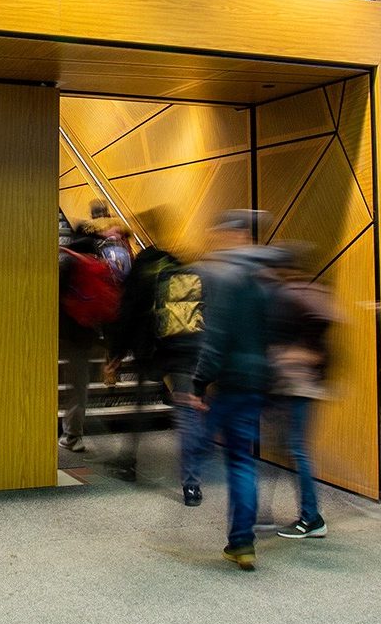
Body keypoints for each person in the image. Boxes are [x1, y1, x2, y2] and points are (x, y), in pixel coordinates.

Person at [192, 210, 278, 571]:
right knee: (243, 461)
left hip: (228, 380)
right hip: (257, 379)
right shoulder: (262, 279)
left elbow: (216, 334)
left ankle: (191, 479)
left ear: (231, 234)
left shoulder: (223, 277)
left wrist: (198, 382)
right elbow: (271, 331)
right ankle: (243, 542)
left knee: (203, 442)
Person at [110, 229, 206, 498]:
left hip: (148, 348)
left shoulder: (141, 269)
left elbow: (126, 313)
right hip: (181, 346)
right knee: (186, 414)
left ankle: (129, 462)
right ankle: (191, 485)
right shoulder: (177, 267)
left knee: (140, 405)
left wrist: (115, 354)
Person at [268, 247, 338, 540]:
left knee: (296, 448)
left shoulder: (290, 296)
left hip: (296, 383)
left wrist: (288, 357)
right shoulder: (314, 292)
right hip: (310, 382)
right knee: (294, 448)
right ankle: (307, 514)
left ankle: (311, 517)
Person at [57, 224, 116, 453]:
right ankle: (73, 435)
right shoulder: (97, 264)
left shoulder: (66, 261)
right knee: (78, 387)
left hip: (63, 334)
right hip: (85, 335)